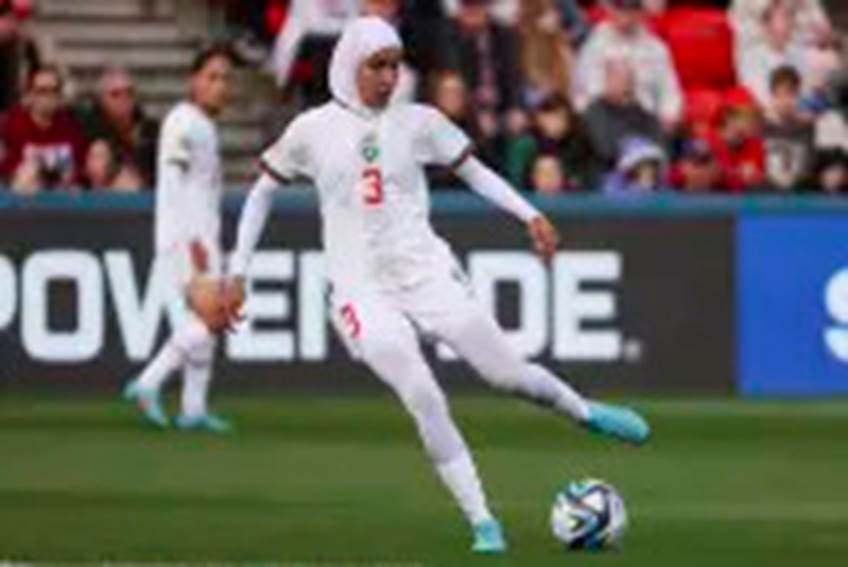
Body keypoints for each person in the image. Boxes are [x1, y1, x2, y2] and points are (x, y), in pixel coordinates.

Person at [228, 17, 649, 553]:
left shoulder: (418, 121)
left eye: (394, 66)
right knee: (422, 391)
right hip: (361, 290)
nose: (387, 77)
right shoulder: (312, 130)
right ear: (347, 65)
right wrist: (238, 271)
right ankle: (483, 523)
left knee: (508, 374)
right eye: (375, 66)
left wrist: (528, 214)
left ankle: (585, 413)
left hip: (426, 272)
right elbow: (262, 193)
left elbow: (476, 172)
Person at [123, 46, 239, 433]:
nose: (220, 86)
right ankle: (148, 383)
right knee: (214, 316)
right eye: (212, 77)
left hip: (200, 235)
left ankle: (193, 408)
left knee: (204, 320)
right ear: (194, 81)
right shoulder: (183, 123)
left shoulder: (202, 124)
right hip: (188, 238)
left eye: (225, 78)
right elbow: (173, 185)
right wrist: (192, 239)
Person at [573, 0, 682, 129]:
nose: (626, 15)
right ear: (611, 9)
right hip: (606, 127)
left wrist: (668, 117)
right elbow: (584, 96)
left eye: (633, 8)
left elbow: (669, 92)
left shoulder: (656, 48)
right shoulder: (595, 46)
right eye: (620, 8)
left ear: (642, 12)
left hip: (649, 128)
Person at [0, 64, 87, 193]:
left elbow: (81, 171)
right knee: (30, 172)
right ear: (30, 95)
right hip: (20, 199)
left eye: (54, 90)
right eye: (42, 91)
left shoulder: (70, 127)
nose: (49, 96)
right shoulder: (11, 124)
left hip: (62, 199)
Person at [76, 67, 159, 188]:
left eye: (129, 92)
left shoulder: (150, 131)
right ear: (101, 100)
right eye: (115, 94)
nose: (124, 99)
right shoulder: (89, 131)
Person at [762, 65, 814, 192]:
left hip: (802, 182)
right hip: (772, 183)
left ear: (798, 94)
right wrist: (774, 114)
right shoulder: (766, 115)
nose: (784, 101)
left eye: (789, 94)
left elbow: (805, 118)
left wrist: (787, 115)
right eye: (779, 95)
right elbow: (766, 118)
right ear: (773, 96)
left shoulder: (807, 114)